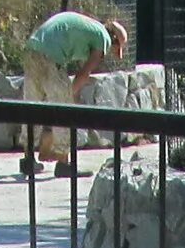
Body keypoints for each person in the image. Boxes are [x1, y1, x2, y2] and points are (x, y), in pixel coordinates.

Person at [19, 9, 128, 177]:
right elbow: (84, 73)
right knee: (65, 111)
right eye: (115, 48)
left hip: (32, 48)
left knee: (33, 106)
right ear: (113, 39)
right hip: (50, 56)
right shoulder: (103, 38)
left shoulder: (90, 28)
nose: (111, 53)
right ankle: (63, 164)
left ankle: (28, 160)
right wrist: (68, 95)